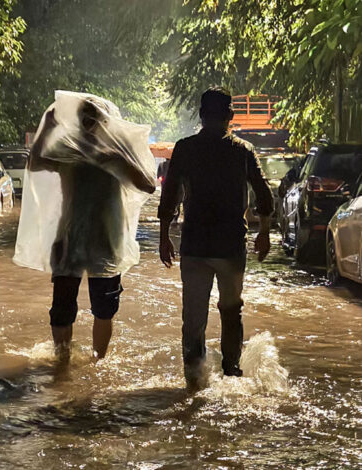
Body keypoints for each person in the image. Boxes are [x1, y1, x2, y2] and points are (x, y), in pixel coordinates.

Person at [157, 87, 273, 391]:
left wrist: (164, 237)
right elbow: (263, 194)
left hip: (195, 246)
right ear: (230, 117)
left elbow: (169, 195)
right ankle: (232, 375)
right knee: (231, 311)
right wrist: (264, 232)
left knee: (193, 316)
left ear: (200, 115)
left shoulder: (185, 148)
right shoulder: (243, 151)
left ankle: (193, 384)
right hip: (231, 247)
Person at [29, 101, 155, 362]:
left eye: (92, 118)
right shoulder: (68, 150)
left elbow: (149, 185)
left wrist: (121, 161)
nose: (88, 123)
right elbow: (35, 163)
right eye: (84, 118)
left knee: (104, 309)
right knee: (62, 308)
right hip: (70, 237)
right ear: (78, 120)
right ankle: (61, 364)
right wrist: (47, 129)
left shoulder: (117, 152)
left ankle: (98, 362)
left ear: (104, 122)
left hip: (106, 239)